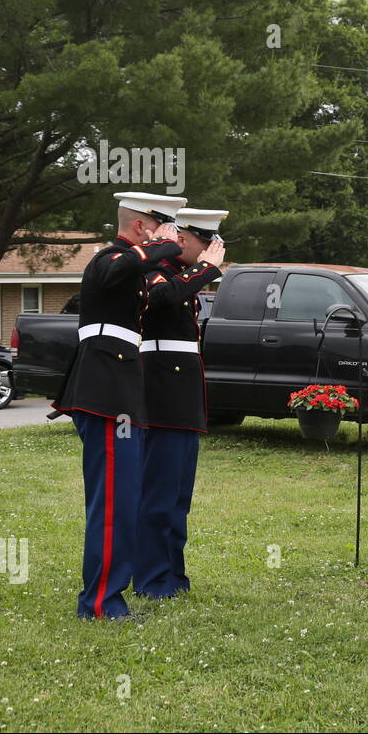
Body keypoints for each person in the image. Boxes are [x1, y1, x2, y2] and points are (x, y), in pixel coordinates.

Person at [54, 192, 187, 618]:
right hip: (105, 393)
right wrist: (164, 247)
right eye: (165, 227)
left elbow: (160, 295)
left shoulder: (132, 269)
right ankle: (99, 603)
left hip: (122, 393)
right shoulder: (107, 258)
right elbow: (121, 266)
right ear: (140, 227)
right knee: (112, 505)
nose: (173, 237)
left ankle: (110, 595)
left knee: (124, 501)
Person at [134, 209, 227, 599]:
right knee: (159, 493)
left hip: (183, 399)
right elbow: (159, 298)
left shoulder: (179, 275)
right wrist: (204, 271)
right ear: (185, 240)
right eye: (206, 248)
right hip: (163, 396)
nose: (210, 257)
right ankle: (152, 579)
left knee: (177, 496)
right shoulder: (155, 271)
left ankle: (172, 574)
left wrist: (201, 271)